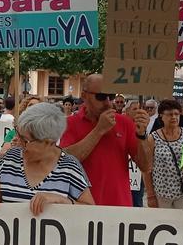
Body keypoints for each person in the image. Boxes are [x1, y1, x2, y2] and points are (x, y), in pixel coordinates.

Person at [60, 74, 151, 206]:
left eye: (111, 96)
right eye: (101, 97)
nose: (108, 102)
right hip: (83, 207)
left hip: (119, 207)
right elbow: (65, 160)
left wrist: (142, 136)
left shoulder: (124, 122)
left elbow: (146, 166)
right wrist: (99, 130)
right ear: (84, 95)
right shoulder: (70, 123)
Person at [0, 102, 94, 212]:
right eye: (18, 133)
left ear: (49, 141)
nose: (17, 141)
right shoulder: (10, 158)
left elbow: (91, 211)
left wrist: (62, 201)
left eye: (25, 139)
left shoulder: (70, 167)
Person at [145, 99, 183, 209]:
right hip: (161, 193)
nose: (174, 117)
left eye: (176, 114)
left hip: (182, 193)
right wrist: (150, 195)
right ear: (161, 116)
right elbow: (147, 169)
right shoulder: (153, 137)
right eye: (170, 114)